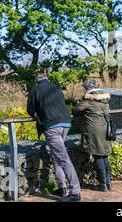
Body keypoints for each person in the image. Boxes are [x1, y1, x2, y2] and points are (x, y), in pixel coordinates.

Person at [27, 73, 81, 202]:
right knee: (58, 156)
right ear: (47, 80)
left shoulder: (35, 90)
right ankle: (62, 187)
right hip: (66, 123)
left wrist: (39, 118)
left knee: (63, 158)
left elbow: (30, 109)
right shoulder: (56, 87)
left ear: (37, 82)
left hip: (52, 126)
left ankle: (75, 192)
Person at [73, 79, 113, 192]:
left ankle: (103, 184)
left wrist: (80, 100)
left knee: (97, 155)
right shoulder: (103, 98)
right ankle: (108, 182)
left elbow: (76, 110)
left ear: (88, 88)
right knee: (104, 155)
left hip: (94, 131)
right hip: (104, 129)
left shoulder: (88, 99)